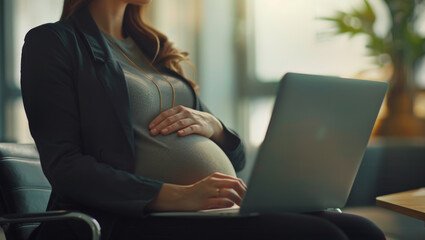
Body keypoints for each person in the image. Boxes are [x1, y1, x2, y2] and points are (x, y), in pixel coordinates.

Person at [20, 0, 386, 239]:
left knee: (362, 230)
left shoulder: (154, 48)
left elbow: (237, 159)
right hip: (129, 219)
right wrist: (175, 196)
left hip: (212, 211)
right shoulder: (54, 42)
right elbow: (64, 165)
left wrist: (215, 129)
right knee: (322, 237)